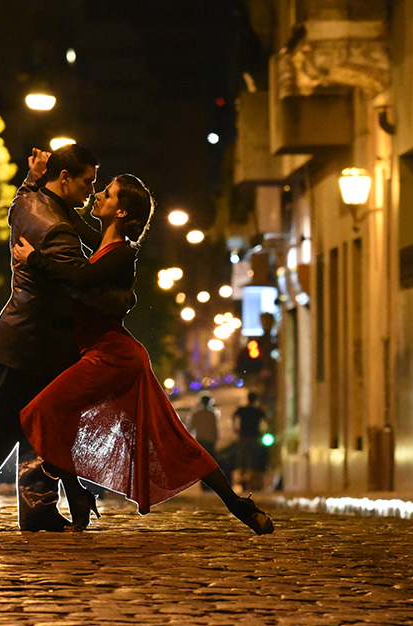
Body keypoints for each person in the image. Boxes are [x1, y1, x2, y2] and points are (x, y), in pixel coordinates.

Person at [14, 174, 274, 535]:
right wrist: (36, 183)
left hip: (112, 355)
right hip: (107, 353)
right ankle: (238, 505)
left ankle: (78, 496)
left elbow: (79, 277)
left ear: (121, 211)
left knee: (41, 411)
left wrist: (33, 258)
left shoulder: (121, 254)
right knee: (166, 437)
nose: (97, 194)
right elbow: (72, 224)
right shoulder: (104, 245)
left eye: (107, 193)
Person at [0, 144, 129, 532]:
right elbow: (81, 286)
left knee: (41, 427)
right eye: (87, 181)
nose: (92, 190)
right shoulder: (56, 228)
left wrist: (33, 178)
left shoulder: (29, 201)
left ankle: (38, 508)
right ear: (65, 178)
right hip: (31, 342)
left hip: (34, 339)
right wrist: (124, 299)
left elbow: (21, 199)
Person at [233, 392, 267, 491]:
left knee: (242, 460)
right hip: (254, 437)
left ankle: (242, 480)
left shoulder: (242, 409)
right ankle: (253, 483)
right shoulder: (257, 411)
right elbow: (266, 421)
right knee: (254, 460)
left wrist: (236, 429)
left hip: (244, 437)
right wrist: (263, 432)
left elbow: (233, 417)